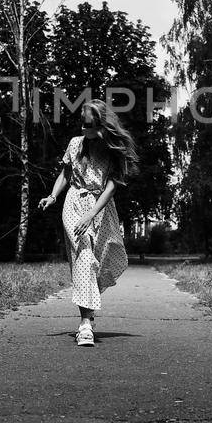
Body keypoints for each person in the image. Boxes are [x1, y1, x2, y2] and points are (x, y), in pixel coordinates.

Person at [38, 99, 135, 346]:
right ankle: (84, 325)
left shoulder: (113, 149)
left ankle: (88, 312)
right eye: (81, 123)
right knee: (83, 255)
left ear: (100, 125)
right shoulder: (75, 144)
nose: (83, 129)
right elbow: (65, 174)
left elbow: (112, 187)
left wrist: (91, 214)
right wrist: (52, 196)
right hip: (73, 202)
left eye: (88, 124)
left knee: (100, 259)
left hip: (100, 206)